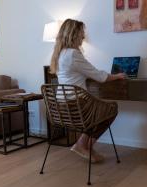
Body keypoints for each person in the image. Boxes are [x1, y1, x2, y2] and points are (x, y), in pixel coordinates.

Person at [50, 19, 125, 163]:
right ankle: (83, 145)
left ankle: (84, 146)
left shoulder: (59, 54)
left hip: (60, 106)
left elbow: (80, 73)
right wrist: (117, 76)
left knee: (100, 111)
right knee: (111, 109)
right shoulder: (73, 54)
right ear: (72, 34)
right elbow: (99, 76)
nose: (83, 37)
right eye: (81, 33)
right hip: (75, 104)